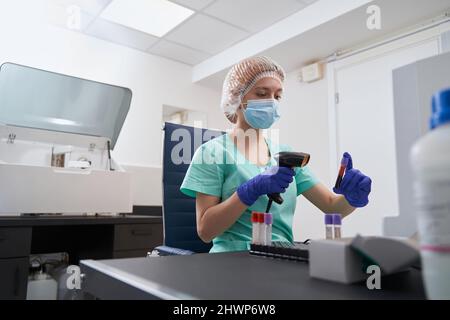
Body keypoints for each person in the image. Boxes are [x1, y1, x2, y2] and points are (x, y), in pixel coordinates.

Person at [180, 56, 371, 253]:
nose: (271, 102)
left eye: (277, 96)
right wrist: (248, 192)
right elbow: (205, 231)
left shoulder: (286, 157)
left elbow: (332, 208)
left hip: (283, 256)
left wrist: (351, 197)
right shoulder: (212, 152)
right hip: (232, 260)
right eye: (262, 93)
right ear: (236, 97)